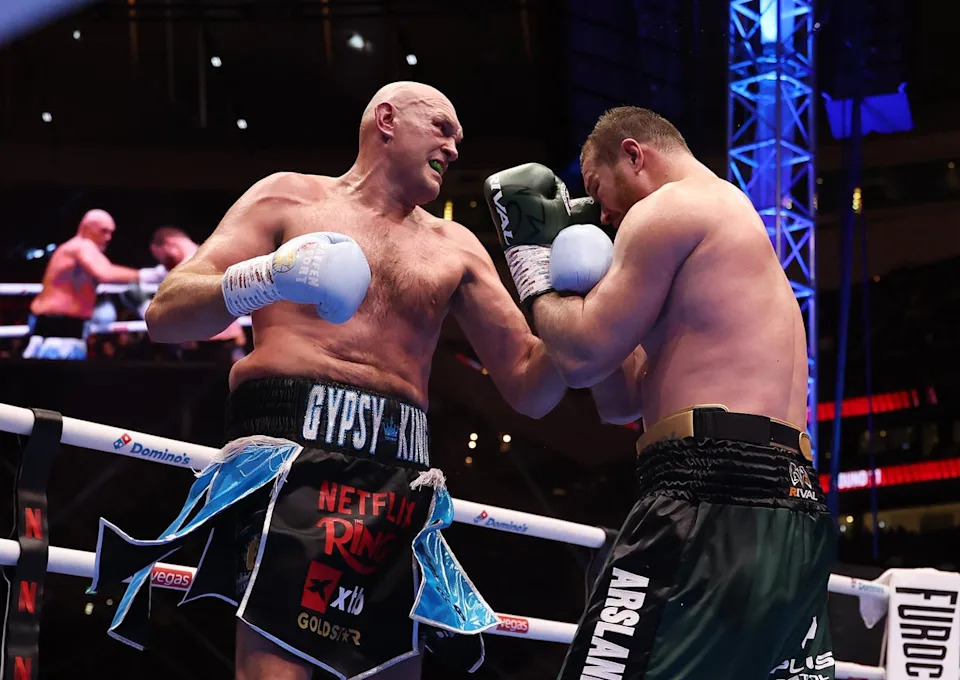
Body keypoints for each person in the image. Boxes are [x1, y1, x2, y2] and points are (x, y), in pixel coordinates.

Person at [102, 81, 576, 680]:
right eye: (442, 127)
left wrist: (560, 292)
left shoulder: (455, 247)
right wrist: (272, 276)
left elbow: (532, 389)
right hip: (288, 470)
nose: (455, 148)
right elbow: (165, 315)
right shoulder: (288, 200)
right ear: (386, 120)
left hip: (400, 486)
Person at [483, 107, 836, 680]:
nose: (601, 213)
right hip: (788, 505)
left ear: (634, 155)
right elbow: (619, 400)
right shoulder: (721, 226)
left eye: (598, 189)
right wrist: (583, 286)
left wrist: (534, 267)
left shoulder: (669, 207)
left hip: (708, 494)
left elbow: (578, 355)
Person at [24, 209, 158, 360]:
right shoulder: (82, 246)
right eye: (103, 231)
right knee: (56, 382)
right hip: (59, 331)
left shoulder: (76, 249)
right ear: (86, 228)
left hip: (60, 329)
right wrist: (151, 275)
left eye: (111, 233)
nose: (108, 237)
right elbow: (105, 273)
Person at [148, 226, 247, 359]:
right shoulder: (214, 254)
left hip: (206, 340)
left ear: (168, 244)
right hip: (226, 338)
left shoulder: (186, 269)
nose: (164, 263)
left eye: (161, 257)